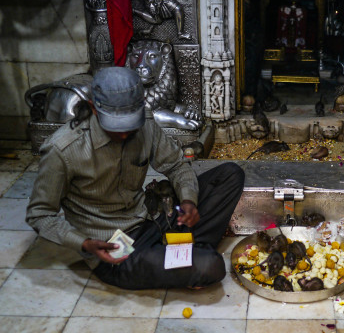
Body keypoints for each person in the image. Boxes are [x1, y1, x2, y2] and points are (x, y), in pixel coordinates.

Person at [26, 67, 245, 290]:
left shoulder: (145, 125)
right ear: (93, 108)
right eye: (116, 126)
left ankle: (182, 254)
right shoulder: (62, 150)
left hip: (151, 218)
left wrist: (189, 201)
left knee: (230, 175)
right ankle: (186, 257)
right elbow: (40, 214)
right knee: (212, 266)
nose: (124, 134)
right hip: (118, 248)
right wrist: (83, 243)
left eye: (130, 125)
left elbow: (177, 165)